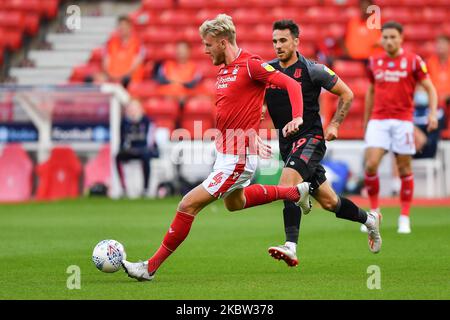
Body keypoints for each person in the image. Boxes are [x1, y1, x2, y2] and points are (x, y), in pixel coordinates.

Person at [121, 14, 312, 281]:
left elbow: (290, 83)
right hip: (227, 153)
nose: (205, 49)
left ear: (223, 43)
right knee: (235, 202)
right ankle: (295, 192)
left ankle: (149, 267)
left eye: (208, 44)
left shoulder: (250, 65)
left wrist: (298, 116)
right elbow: (240, 107)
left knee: (187, 204)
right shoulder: (224, 70)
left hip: (237, 158)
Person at [263, 20, 382, 268]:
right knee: (329, 202)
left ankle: (291, 246)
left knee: (287, 183)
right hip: (287, 145)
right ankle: (369, 219)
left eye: (283, 40)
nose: (278, 46)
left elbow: (347, 93)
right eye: (274, 41)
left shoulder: (312, 69)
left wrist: (335, 124)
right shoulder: (268, 72)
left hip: (310, 139)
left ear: (296, 41)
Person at [363, 21, 438, 234]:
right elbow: (370, 91)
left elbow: (430, 89)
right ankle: (374, 214)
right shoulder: (374, 61)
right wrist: (366, 120)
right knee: (370, 165)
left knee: (404, 168)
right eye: (385, 37)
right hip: (378, 120)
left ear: (401, 38)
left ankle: (404, 216)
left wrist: (432, 113)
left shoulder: (414, 61)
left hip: (403, 121)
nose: (388, 41)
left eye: (392, 37)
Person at [116, 99, 159, 197]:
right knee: (118, 156)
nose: (132, 111)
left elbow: (150, 141)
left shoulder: (147, 121)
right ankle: (123, 188)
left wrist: (144, 149)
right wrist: (123, 149)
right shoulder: (124, 122)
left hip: (145, 150)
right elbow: (122, 140)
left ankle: (146, 188)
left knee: (146, 155)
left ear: (140, 109)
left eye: (134, 108)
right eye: (130, 109)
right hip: (131, 150)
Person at [102, 16, 145, 88]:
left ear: (130, 27)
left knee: (125, 82)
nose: (122, 28)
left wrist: (121, 76)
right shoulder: (111, 43)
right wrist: (111, 75)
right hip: (112, 77)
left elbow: (136, 64)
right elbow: (106, 62)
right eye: (120, 26)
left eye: (124, 26)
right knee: (90, 80)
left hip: (128, 79)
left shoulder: (137, 43)